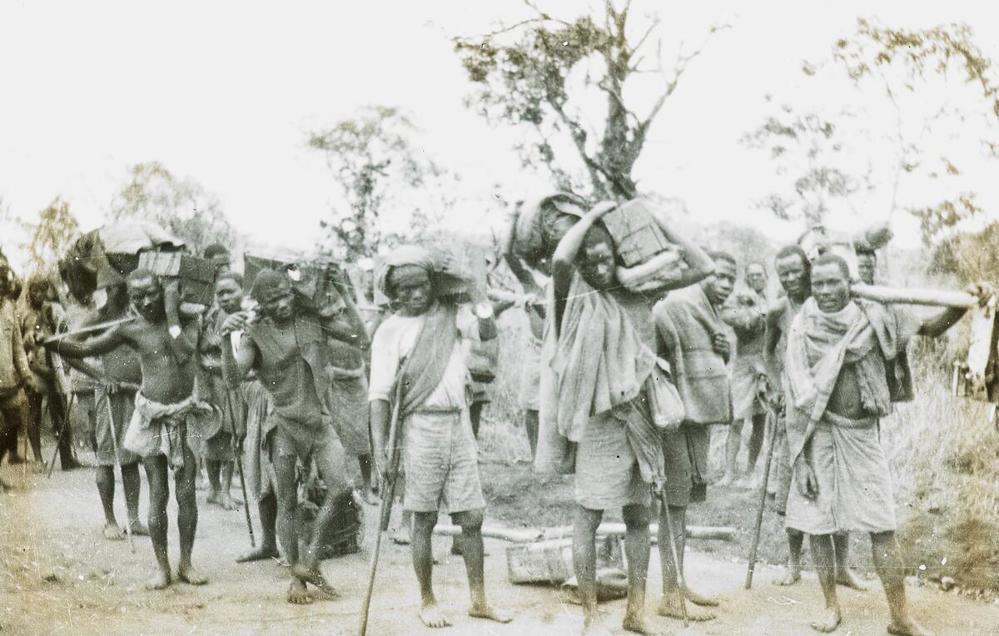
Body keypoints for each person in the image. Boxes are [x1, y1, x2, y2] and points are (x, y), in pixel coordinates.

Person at [784, 253, 976, 635]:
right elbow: (795, 395)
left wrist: (964, 301)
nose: (824, 291)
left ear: (849, 283)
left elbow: (931, 328)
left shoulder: (874, 315)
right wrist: (800, 461)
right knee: (818, 524)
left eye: (832, 282)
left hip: (861, 434)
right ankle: (830, 608)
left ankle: (900, 617)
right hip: (817, 434)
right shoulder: (802, 326)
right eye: (817, 283)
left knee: (881, 525)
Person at [545, 203, 713, 635]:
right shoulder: (575, 296)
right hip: (601, 422)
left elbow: (701, 265)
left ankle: (635, 612)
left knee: (640, 516)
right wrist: (596, 215)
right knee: (589, 515)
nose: (600, 266)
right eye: (592, 259)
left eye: (607, 256)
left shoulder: (640, 291)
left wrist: (654, 220)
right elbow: (562, 258)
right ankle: (589, 613)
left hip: (643, 417)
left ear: (619, 255)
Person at [369, 246, 512, 630]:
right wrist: (380, 450)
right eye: (401, 289)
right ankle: (427, 599)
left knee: (473, 516)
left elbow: (487, 330)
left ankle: (479, 599)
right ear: (392, 292)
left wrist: (478, 296)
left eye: (418, 287)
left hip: (458, 423)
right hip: (418, 428)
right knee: (423, 517)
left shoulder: (452, 315)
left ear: (433, 285)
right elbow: (379, 397)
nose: (409, 295)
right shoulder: (389, 330)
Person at [47, 269, 209, 589]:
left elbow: (182, 351)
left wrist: (174, 310)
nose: (146, 302)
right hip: (150, 416)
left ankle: (186, 563)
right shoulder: (129, 328)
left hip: (183, 415)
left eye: (151, 293)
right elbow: (84, 348)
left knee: (187, 493)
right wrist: (58, 342)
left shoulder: (189, 319)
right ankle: (162, 568)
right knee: (158, 493)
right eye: (137, 297)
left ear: (163, 290)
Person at [221, 269, 360, 604]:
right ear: (262, 305)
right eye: (272, 301)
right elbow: (232, 378)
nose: (281, 304)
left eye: (285, 296)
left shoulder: (312, 320)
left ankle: (309, 563)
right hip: (281, 422)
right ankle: (296, 578)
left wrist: (345, 296)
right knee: (287, 502)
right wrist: (225, 339)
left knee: (341, 489)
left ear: (293, 293)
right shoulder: (254, 332)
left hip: (319, 421)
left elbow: (356, 337)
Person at [764, 246, 865, 590]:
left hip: (833, 407)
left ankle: (841, 567)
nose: (791, 279)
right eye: (783, 274)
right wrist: (778, 385)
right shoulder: (780, 309)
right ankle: (793, 564)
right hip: (797, 405)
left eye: (796, 272)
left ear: (808, 271)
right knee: (794, 486)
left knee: (837, 490)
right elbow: (767, 351)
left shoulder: (827, 301)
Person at [653, 250, 735, 622]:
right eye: (721, 276)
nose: (728, 285)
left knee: (680, 505)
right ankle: (670, 594)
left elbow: (709, 363)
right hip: (671, 416)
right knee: (672, 505)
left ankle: (677, 583)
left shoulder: (707, 311)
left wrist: (725, 351)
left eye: (733, 279)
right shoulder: (675, 306)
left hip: (693, 417)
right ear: (701, 276)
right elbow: (652, 357)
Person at [21, 276, 80, 470]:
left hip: (52, 362)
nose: (39, 295)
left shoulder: (51, 309)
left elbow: (63, 331)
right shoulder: (23, 314)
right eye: (35, 291)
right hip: (33, 365)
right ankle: (38, 458)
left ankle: (67, 457)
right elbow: (19, 342)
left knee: (60, 408)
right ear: (29, 292)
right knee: (35, 410)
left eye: (42, 290)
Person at [720, 261, 768, 486]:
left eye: (760, 275)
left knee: (760, 420)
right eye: (752, 276)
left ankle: (750, 472)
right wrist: (752, 310)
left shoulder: (773, 300)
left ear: (766, 277)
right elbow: (735, 319)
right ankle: (729, 473)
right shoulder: (740, 300)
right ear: (747, 279)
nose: (756, 279)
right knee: (737, 419)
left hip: (766, 364)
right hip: (744, 362)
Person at [0, 263, 36, 479]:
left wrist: (27, 375)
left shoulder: (9, 309)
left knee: (14, 423)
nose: (2, 286)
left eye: (4, 282)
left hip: (8, 381)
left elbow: (17, 347)